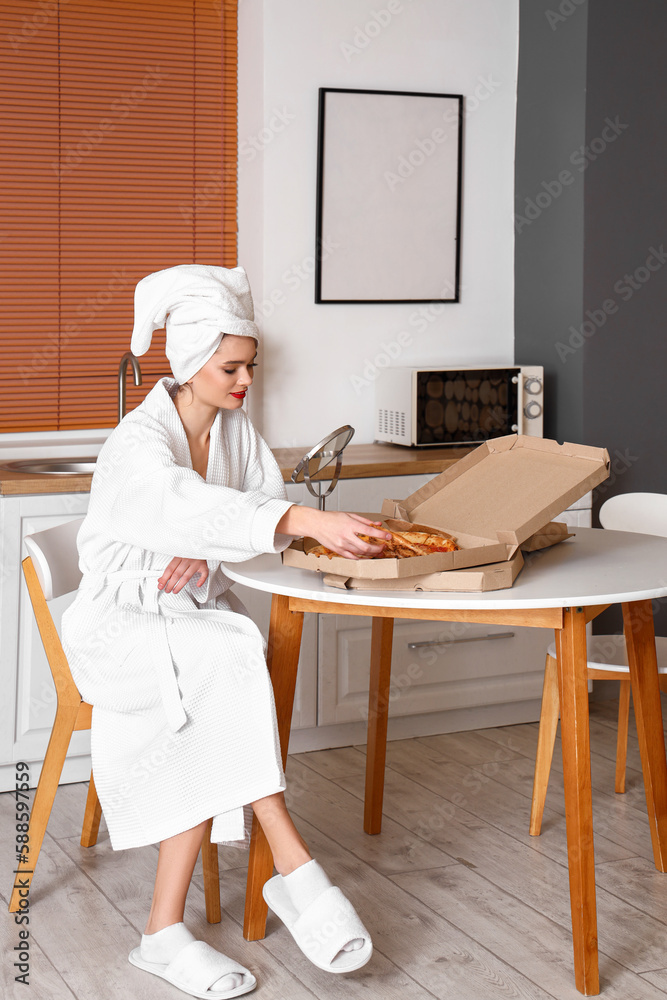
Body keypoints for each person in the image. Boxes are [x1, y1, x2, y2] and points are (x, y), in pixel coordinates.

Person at [61, 264, 389, 999]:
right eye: (230, 367)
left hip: (190, 619)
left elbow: (243, 516)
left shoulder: (238, 435)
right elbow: (178, 501)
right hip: (121, 624)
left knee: (224, 665)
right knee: (231, 659)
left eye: (249, 367)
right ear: (188, 363)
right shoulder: (134, 443)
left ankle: (162, 931)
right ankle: (293, 865)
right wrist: (295, 521)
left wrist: (211, 538)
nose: (244, 381)